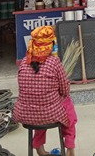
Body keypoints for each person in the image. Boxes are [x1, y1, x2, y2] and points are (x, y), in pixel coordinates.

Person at [13, 25, 77, 156]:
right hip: (49, 114)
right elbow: (65, 90)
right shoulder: (54, 62)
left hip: (25, 114)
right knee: (68, 108)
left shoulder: (24, 62)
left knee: (39, 105)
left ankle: (38, 147)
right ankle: (70, 148)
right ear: (50, 45)